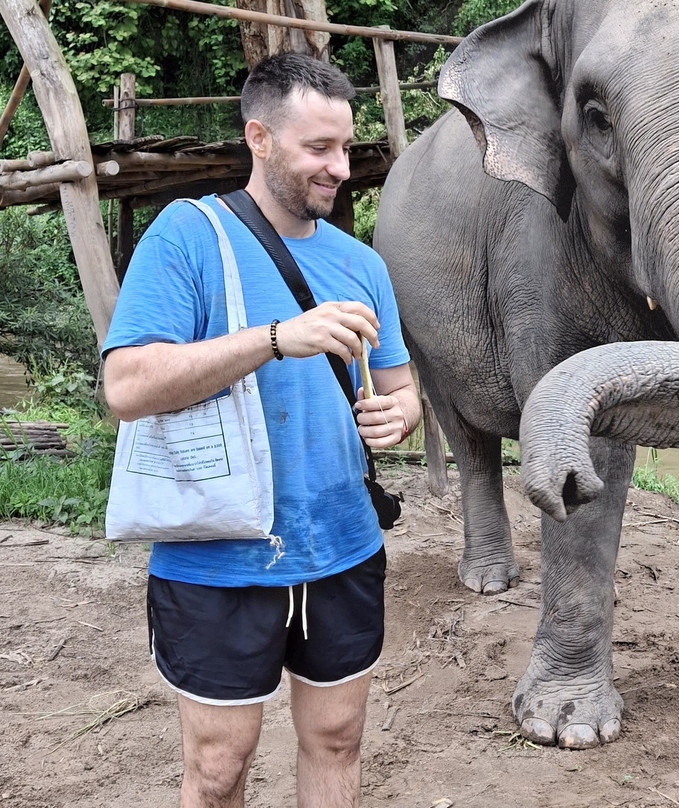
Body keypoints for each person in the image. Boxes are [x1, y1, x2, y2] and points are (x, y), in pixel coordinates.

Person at [102, 52, 420, 808]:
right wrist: (276, 338)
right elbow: (127, 386)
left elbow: (403, 389)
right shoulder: (186, 237)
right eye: (320, 148)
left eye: (346, 147)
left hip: (343, 546)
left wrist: (400, 415)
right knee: (219, 767)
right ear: (260, 138)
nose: (340, 167)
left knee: (337, 740)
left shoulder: (362, 264)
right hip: (216, 555)